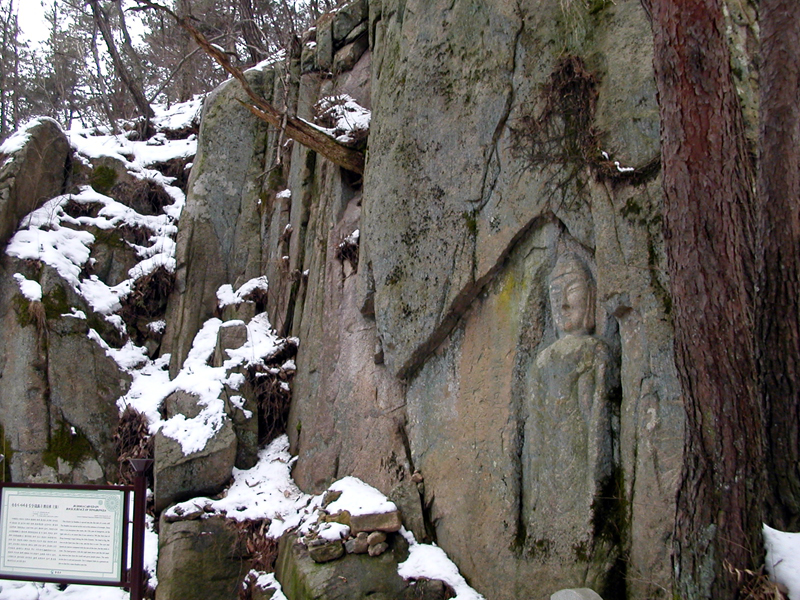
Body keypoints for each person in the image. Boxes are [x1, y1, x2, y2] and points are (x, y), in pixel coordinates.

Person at [522, 252, 614, 561]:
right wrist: (535, 488)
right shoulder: (541, 362)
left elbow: (599, 420)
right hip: (549, 470)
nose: (562, 304)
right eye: (555, 294)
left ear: (590, 297)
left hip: (580, 463)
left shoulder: (595, 352)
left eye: (572, 291)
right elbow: (534, 427)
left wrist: (595, 485)